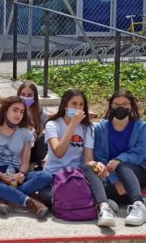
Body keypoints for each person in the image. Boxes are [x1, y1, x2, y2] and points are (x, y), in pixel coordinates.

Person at [44, 89, 117, 228]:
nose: (78, 108)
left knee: (91, 170)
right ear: (65, 105)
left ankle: (104, 207)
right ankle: (95, 202)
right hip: (55, 174)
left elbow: (88, 159)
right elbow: (59, 152)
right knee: (46, 196)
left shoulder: (87, 128)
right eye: (74, 104)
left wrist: (96, 164)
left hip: (77, 175)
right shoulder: (52, 125)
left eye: (81, 104)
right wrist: (73, 124)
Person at [0, 97, 50, 217]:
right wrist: (2, 176)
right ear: (5, 110)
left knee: (46, 176)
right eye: (15, 110)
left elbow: (25, 163)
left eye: (21, 111)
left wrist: (20, 174)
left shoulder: (26, 134)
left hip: (17, 173)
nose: (18, 114)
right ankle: (29, 202)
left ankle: (3, 199)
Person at [93, 89, 146, 227]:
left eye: (125, 104)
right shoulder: (100, 128)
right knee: (94, 181)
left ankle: (139, 205)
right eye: (116, 104)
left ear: (131, 106)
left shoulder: (142, 127)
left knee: (122, 166)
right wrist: (115, 180)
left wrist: (119, 159)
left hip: (134, 172)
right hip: (108, 175)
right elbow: (99, 156)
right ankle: (124, 200)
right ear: (110, 106)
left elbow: (140, 153)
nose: (120, 107)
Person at [17, 80, 50, 172]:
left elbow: (42, 132)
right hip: (16, 146)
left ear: (35, 96)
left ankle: (33, 163)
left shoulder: (40, 113)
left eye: (29, 95)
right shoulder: (13, 111)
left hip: (32, 147)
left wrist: (35, 136)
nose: (26, 97)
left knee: (44, 138)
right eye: (23, 94)